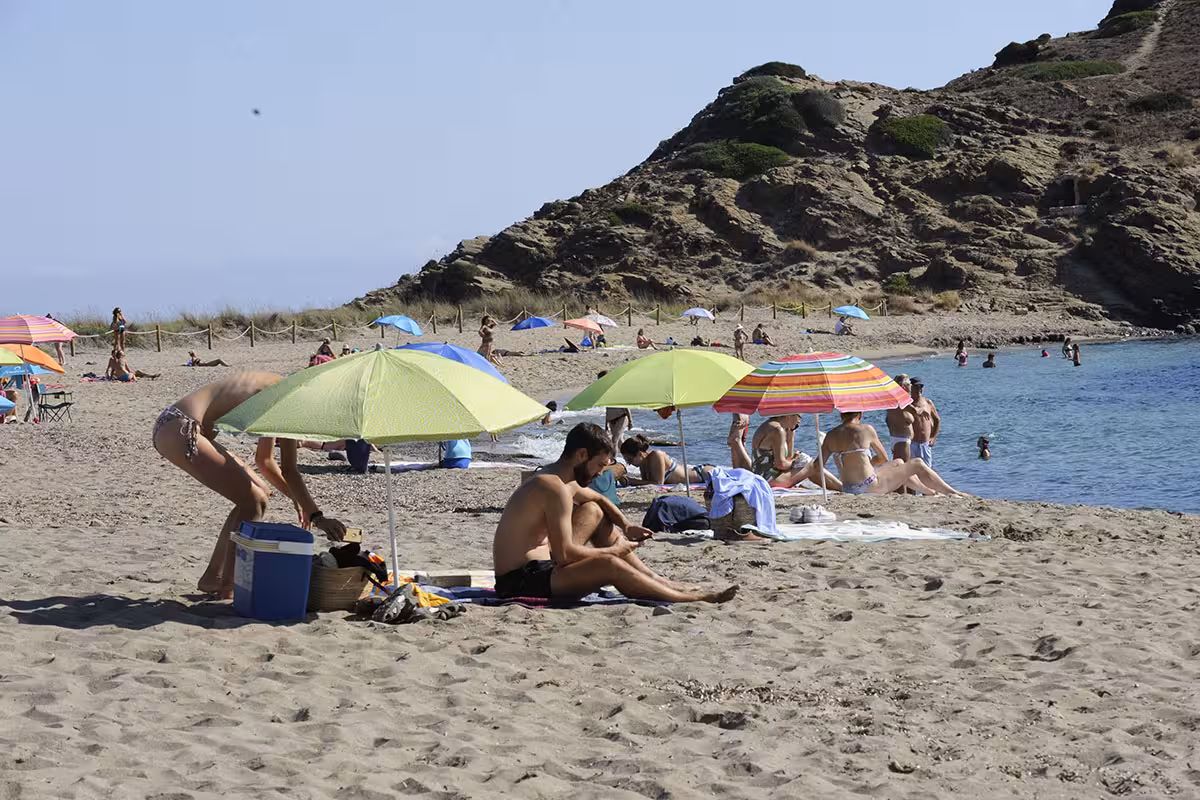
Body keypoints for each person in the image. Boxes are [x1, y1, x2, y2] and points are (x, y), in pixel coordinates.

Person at [151, 372, 347, 597]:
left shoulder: (281, 389)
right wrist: (317, 517)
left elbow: (264, 461)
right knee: (252, 500)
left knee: (260, 494)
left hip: (175, 425)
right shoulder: (288, 398)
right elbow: (290, 470)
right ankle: (228, 585)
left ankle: (213, 577)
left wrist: (297, 500)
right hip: (182, 428)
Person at [492, 423, 736, 603]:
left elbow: (598, 498)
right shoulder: (552, 487)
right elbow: (565, 555)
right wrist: (614, 551)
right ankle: (687, 599)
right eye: (599, 465)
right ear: (581, 455)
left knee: (593, 511)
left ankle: (659, 580)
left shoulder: (559, 479)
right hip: (520, 580)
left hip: (542, 566)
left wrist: (626, 525)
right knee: (609, 563)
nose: (601, 473)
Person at [820, 411, 968, 496]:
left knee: (898, 462)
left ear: (841, 415)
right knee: (917, 463)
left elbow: (818, 466)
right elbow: (883, 458)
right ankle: (952, 492)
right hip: (869, 487)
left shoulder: (831, 435)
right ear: (860, 414)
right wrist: (866, 464)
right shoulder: (866, 429)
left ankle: (929, 492)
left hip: (848, 488)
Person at [750, 415, 843, 490]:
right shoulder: (778, 430)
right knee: (811, 464)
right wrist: (794, 461)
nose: (799, 420)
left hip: (764, 478)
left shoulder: (770, 426)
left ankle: (840, 487)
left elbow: (787, 458)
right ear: (789, 415)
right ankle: (842, 488)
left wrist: (791, 436)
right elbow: (781, 464)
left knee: (807, 464)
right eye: (799, 416)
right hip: (770, 480)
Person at [619, 435, 706, 485]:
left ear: (640, 454)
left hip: (701, 474)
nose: (629, 464)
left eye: (630, 460)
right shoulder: (643, 463)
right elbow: (646, 483)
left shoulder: (656, 455)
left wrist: (631, 481)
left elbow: (658, 484)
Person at [907, 378, 940, 467]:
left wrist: (933, 437)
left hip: (925, 444)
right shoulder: (908, 404)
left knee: (927, 471)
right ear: (910, 388)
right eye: (916, 387)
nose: (919, 390)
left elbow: (937, 420)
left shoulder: (928, 402)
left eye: (920, 387)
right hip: (912, 443)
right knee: (913, 471)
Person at [885, 374, 914, 462]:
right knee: (904, 471)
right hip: (902, 441)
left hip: (898, 439)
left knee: (902, 469)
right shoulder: (902, 401)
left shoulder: (892, 400)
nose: (911, 385)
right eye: (909, 383)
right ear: (903, 386)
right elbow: (917, 411)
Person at [597, 371, 632, 447]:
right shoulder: (605, 393)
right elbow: (608, 409)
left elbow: (626, 406)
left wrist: (630, 421)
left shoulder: (616, 389)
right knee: (619, 442)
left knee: (614, 439)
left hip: (622, 417)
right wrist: (606, 424)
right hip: (611, 420)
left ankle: (612, 458)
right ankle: (628, 456)